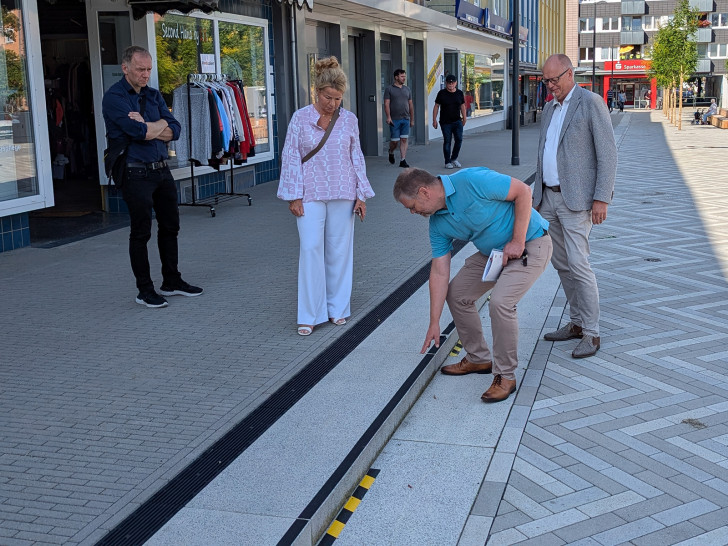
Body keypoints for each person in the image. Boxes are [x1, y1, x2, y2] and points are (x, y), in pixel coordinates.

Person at [394, 167, 552, 403]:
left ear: (424, 192)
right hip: (494, 254)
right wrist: (434, 321)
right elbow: (439, 271)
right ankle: (478, 359)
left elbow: (523, 192)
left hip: (531, 242)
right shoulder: (437, 224)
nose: (412, 212)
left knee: (501, 303)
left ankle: (505, 377)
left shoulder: (471, 180)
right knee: (457, 293)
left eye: (411, 206)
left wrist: (517, 241)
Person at [278, 56, 375, 336]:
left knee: (339, 252)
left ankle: (337, 308)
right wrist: (293, 196)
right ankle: (309, 314)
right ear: (316, 92)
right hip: (309, 193)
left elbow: (356, 156)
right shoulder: (300, 118)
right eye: (327, 97)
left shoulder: (349, 120)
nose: (332, 104)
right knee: (310, 249)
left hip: (343, 191)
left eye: (338, 98)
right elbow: (291, 157)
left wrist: (361, 194)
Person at [102, 45, 202, 308]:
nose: (146, 75)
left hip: (161, 170)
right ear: (125, 68)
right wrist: (156, 126)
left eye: (148, 69)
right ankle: (144, 290)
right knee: (141, 233)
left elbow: (176, 129)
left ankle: (171, 281)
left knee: (170, 227)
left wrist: (149, 125)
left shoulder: (154, 95)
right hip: (135, 173)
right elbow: (139, 133)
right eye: (140, 70)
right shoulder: (114, 98)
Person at [533, 54, 617, 358]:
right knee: (561, 264)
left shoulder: (590, 102)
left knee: (579, 264)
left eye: (554, 80)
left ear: (570, 74)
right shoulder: (548, 109)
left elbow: (607, 154)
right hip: (548, 198)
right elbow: (544, 151)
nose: (550, 86)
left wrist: (601, 197)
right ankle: (577, 323)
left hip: (578, 200)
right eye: (546, 80)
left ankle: (592, 334)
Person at [433, 74, 466, 169]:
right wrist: (434, 120)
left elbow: (462, 106)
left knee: (459, 140)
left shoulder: (459, 93)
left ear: (455, 83)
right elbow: (436, 106)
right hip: (445, 122)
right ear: (446, 83)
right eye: (448, 82)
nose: (450, 84)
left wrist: (464, 118)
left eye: (452, 82)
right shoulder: (441, 93)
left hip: (457, 121)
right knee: (447, 141)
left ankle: (454, 159)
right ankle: (447, 161)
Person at [384, 68, 415, 168]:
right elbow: (386, 104)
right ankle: (391, 151)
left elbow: (410, 104)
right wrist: (388, 117)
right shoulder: (389, 89)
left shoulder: (407, 89)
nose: (404, 78)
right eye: (402, 76)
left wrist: (412, 119)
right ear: (396, 77)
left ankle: (403, 160)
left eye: (404, 76)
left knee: (404, 139)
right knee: (395, 141)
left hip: (405, 118)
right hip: (394, 119)